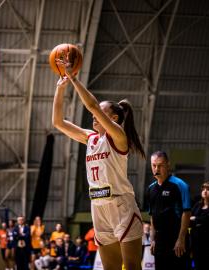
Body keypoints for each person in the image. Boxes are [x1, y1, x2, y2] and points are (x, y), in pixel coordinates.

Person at [52, 55, 145, 270]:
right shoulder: (91, 138)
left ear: (113, 119)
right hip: (98, 206)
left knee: (132, 266)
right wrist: (61, 87)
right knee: (109, 267)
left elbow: (92, 106)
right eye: (96, 114)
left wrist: (73, 78)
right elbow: (58, 122)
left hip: (121, 205)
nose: (94, 116)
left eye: (102, 113)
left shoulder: (119, 136)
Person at [146, 151, 191, 270]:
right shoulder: (150, 189)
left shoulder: (180, 185)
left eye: (160, 165)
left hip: (177, 240)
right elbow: (152, 216)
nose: (156, 169)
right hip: (160, 242)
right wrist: (153, 240)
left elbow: (186, 213)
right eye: (154, 165)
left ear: (168, 165)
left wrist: (181, 239)